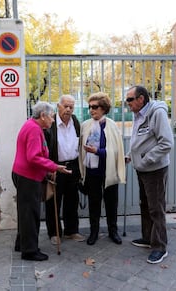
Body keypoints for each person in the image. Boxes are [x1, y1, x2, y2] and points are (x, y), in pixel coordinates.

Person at [12, 101, 71, 261]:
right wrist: (54, 167)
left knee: (25, 212)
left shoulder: (33, 126)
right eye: (51, 117)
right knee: (30, 214)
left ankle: (22, 244)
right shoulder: (33, 129)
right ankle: (30, 250)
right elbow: (33, 157)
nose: (53, 120)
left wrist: (47, 169)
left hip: (26, 175)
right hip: (28, 177)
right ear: (43, 116)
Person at [125, 85, 174, 264]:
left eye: (130, 99)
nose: (127, 103)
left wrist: (144, 160)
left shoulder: (157, 113)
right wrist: (131, 156)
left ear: (141, 99)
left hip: (154, 170)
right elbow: (141, 140)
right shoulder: (138, 114)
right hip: (142, 169)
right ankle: (148, 238)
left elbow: (166, 143)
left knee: (156, 208)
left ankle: (160, 247)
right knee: (145, 205)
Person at [78, 92, 126, 246]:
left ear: (104, 108)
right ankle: (94, 232)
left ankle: (113, 231)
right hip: (92, 172)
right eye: (89, 107)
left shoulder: (112, 126)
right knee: (94, 203)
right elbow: (80, 149)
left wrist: (97, 151)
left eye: (95, 107)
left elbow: (116, 151)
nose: (91, 110)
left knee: (112, 203)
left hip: (108, 170)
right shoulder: (85, 125)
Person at [44, 95, 85, 246]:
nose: (68, 109)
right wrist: (49, 167)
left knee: (72, 200)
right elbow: (45, 147)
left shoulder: (75, 121)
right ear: (58, 106)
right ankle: (54, 232)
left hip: (72, 166)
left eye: (71, 107)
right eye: (65, 106)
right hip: (56, 166)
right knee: (54, 201)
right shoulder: (51, 123)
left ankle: (71, 230)